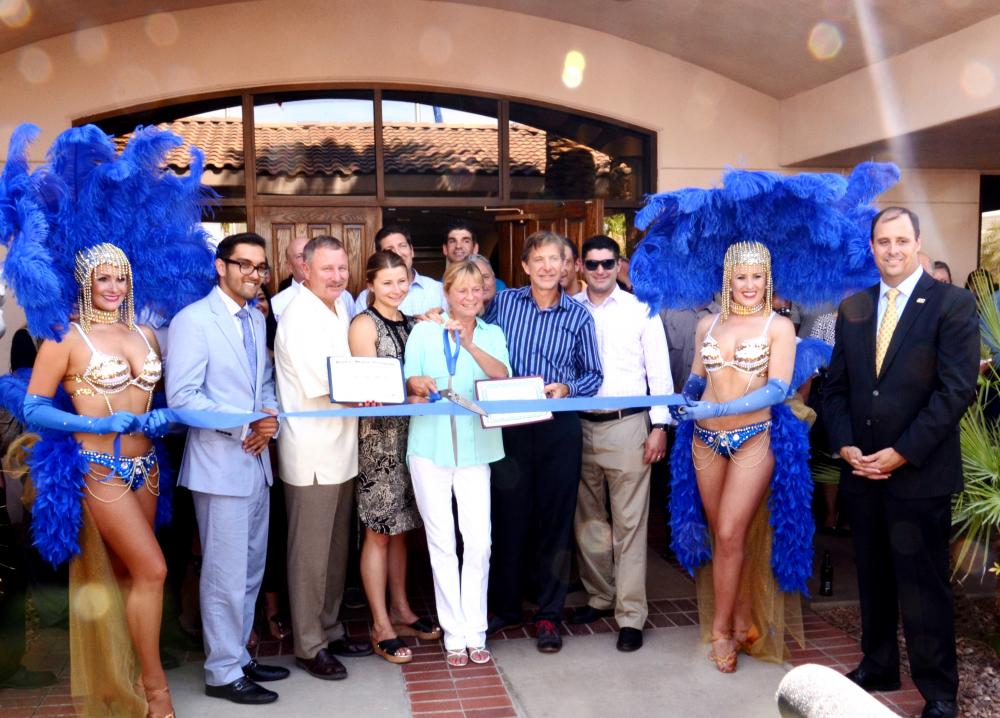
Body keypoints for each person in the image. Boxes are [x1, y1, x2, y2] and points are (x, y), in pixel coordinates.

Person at [823, 207, 979, 718]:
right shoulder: (853, 307)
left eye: (901, 240)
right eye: (883, 241)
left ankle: (939, 691)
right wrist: (845, 444)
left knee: (923, 585)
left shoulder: (951, 304)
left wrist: (903, 452)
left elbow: (955, 391)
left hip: (920, 473)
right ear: (872, 247)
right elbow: (837, 389)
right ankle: (879, 664)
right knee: (872, 576)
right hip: (862, 470)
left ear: (917, 243)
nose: (892, 250)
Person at [23, 244, 174, 716]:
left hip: (147, 468)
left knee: (131, 574)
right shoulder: (65, 338)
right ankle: (156, 690)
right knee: (154, 570)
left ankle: (124, 676)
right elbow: (33, 407)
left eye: (121, 278)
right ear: (85, 282)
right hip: (99, 468)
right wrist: (95, 424)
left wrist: (161, 419)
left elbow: (153, 398)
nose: (114, 288)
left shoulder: (146, 333)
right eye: (103, 278)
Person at [166, 232, 290, 705]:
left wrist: (269, 421)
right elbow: (183, 398)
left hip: (257, 463)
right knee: (223, 573)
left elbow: (265, 384)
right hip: (218, 465)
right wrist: (245, 424)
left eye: (261, 267)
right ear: (221, 267)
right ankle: (221, 671)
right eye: (245, 265)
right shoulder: (193, 320)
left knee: (251, 570)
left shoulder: (256, 319)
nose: (255, 275)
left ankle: (238, 655)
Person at [669, 241, 801, 673]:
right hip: (704, 439)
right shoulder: (707, 323)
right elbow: (696, 376)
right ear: (728, 278)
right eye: (741, 276)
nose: (749, 285)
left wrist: (718, 408)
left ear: (767, 279)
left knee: (729, 531)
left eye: (756, 276)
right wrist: (686, 400)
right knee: (723, 537)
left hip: (753, 438)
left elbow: (777, 389)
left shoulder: (779, 326)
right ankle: (743, 619)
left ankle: (721, 631)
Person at [484, 230, 602, 653]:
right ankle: (507, 606)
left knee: (555, 521)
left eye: (556, 259)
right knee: (509, 517)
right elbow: (473, 331)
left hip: (558, 427)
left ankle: (549, 614)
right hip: (509, 427)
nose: (548, 267)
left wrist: (568, 388)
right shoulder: (503, 304)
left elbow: (593, 374)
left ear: (567, 265)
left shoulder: (579, 316)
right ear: (525, 266)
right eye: (539, 259)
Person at [404, 259, 511, 667]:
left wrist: (469, 344)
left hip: (476, 448)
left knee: (479, 541)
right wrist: (418, 384)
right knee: (442, 543)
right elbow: (409, 381)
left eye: (476, 290)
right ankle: (454, 633)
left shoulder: (492, 333)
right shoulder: (424, 331)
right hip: (428, 448)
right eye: (461, 290)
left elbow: (503, 377)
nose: (470, 297)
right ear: (446, 293)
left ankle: (476, 629)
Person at [275, 236, 372, 679]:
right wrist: (383, 393)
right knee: (310, 557)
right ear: (305, 270)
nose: (337, 276)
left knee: (334, 554)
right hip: (312, 453)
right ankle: (309, 644)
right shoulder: (299, 316)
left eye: (342, 268)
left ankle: (330, 630)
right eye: (327, 268)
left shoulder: (339, 308)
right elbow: (331, 385)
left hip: (342, 449)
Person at [570, 235, 673, 653]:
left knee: (630, 525)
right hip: (577, 425)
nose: (600, 271)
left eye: (607, 263)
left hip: (627, 424)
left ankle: (631, 615)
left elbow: (659, 372)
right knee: (588, 520)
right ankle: (600, 596)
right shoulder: (569, 308)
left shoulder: (641, 310)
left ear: (619, 265)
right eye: (592, 264)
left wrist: (660, 425)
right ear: (580, 266)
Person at [348, 251, 442, 664]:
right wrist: (410, 386)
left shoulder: (412, 323)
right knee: (379, 531)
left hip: (413, 437)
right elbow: (367, 385)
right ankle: (380, 624)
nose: (396, 289)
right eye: (387, 282)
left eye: (402, 281)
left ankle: (402, 610)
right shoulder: (363, 324)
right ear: (370, 284)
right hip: (379, 442)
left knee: (402, 528)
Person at [355, 225, 445, 315]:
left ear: (412, 251)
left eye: (402, 246)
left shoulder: (437, 289)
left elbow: (449, 321)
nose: (398, 253)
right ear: (381, 257)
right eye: (389, 249)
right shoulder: (364, 298)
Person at [271, 236, 308, 317]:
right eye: (300, 256)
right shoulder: (276, 305)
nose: (307, 259)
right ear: (289, 266)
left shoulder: (335, 294)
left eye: (311, 253)